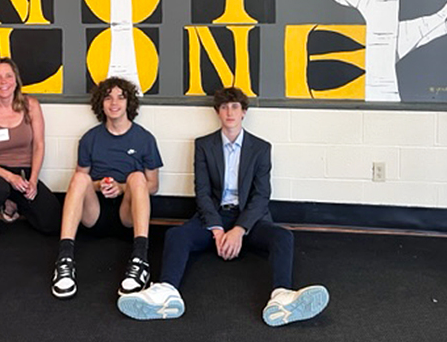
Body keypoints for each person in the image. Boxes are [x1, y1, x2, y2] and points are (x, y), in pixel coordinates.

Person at [117, 87, 329, 327]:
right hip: (214, 216)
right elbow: (203, 192)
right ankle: (166, 292)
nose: (230, 112)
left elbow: (261, 197)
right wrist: (217, 229)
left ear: (243, 112)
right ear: (218, 112)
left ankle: (281, 297)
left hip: (249, 219)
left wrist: (239, 230)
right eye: (225, 107)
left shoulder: (261, 148)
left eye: (235, 107)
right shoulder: (204, 145)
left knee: (283, 237)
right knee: (176, 235)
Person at [51, 77, 162, 299]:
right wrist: (99, 185)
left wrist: (121, 188)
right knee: (80, 179)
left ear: (128, 103)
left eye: (120, 97)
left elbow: (153, 185)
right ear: (100, 104)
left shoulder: (144, 138)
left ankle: (140, 260)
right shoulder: (90, 138)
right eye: (108, 97)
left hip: (128, 215)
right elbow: (82, 183)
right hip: (95, 214)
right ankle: (64, 260)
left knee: (138, 177)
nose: (114, 103)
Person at [0, 57, 61, 243]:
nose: (3, 82)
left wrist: (33, 180)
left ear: (16, 80)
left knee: (52, 224)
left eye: (8, 76)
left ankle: (12, 201)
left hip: (23, 174)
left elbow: (39, 145)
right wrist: (9, 177)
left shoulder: (31, 105)